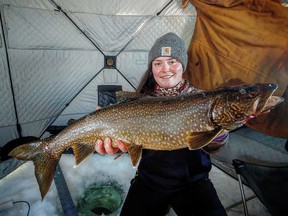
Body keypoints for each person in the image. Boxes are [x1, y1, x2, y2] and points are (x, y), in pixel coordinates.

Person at [95, 32, 229, 216]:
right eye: (158, 63)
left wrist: (219, 130)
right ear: (152, 68)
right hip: (149, 182)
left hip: (194, 183)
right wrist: (117, 146)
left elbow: (215, 147)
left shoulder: (203, 99)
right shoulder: (138, 102)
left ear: (183, 64)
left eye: (172, 61)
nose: (165, 69)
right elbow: (127, 145)